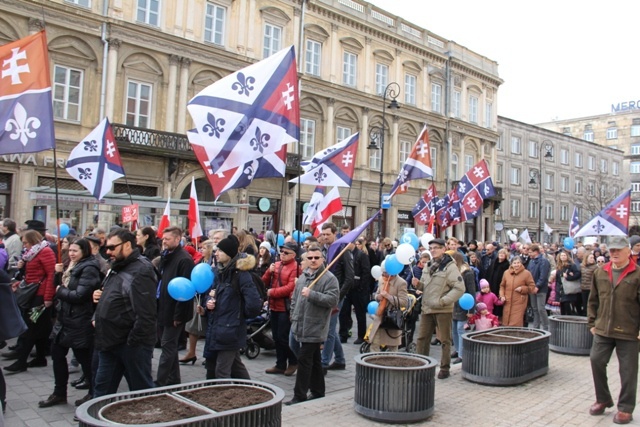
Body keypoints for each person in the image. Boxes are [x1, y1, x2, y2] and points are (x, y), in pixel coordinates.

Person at [92, 229, 158, 397]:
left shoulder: (142, 270)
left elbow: (146, 314)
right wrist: (101, 297)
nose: (108, 252)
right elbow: (114, 293)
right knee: (102, 390)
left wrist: (132, 342)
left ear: (127, 245)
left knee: (141, 392)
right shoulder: (116, 266)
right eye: (107, 247)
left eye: (112, 247)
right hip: (109, 340)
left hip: (130, 344)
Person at [38, 239, 101, 408]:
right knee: (57, 355)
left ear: (85, 251)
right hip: (64, 318)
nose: (71, 253)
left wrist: (61, 291)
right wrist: (57, 274)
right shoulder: (71, 265)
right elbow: (59, 286)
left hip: (80, 320)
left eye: (75, 250)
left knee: (84, 359)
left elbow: (80, 295)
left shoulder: (89, 268)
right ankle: (59, 393)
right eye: (70, 250)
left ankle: (94, 393)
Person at [588, 236, 640, 425]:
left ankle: (625, 408)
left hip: (629, 331)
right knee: (596, 360)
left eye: (619, 250)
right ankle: (603, 399)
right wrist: (592, 323)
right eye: (612, 250)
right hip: (602, 329)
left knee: (628, 371)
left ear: (628, 251)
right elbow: (593, 300)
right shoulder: (601, 272)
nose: (615, 253)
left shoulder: (637, 273)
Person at [202, 234, 261, 379]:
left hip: (230, 329)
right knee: (234, 366)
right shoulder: (218, 272)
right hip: (216, 327)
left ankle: (223, 399)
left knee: (222, 371)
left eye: (220, 251)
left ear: (228, 253)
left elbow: (253, 304)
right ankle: (250, 392)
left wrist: (239, 316)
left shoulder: (241, 274)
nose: (216, 253)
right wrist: (208, 303)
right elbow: (210, 293)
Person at [287, 245, 339, 405]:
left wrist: (312, 294)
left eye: (317, 257)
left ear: (323, 259)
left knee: (304, 360)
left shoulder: (329, 278)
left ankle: (299, 395)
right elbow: (295, 298)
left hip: (316, 326)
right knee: (315, 360)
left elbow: (332, 300)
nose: (313, 260)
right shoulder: (303, 277)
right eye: (310, 258)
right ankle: (318, 391)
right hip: (300, 323)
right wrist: (293, 314)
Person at [4, 230, 56, 373]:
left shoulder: (45, 252)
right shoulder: (30, 254)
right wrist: (22, 268)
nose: (24, 245)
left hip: (39, 295)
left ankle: (22, 361)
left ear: (33, 240)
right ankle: (40, 357)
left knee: (31, 326)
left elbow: (51, 274)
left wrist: (47, 297)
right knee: (39, 326)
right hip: (32, 294)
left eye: (26, 242)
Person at [414, 238, 464, 379]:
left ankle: (444, 367)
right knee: (422, 338)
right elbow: (425, 285)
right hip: (427, 307)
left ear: (443, 249)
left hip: (443, 309)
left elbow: (459, 288)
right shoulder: (428, 265)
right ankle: (421, 366)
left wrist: (444, 301)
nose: (433, 250)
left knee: (444, 340)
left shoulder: (450, 266)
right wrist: (418, 284)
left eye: (436, 247)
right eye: (431, 248)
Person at [156, 226, 195, 387]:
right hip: (163, 307)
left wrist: (178, 315)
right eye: (163, 239)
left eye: (167, 239)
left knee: (167, 346)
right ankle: (173, 379)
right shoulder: (167, 256)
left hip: (174, 311)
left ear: (177, 239)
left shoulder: (184, 260)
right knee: (168, 346)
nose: (164, 242)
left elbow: (185, 291)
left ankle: (160, 381)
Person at [261, 241, 300, 376]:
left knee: (283, 337)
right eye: (281, 252)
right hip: (274, 306)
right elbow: (264, 282)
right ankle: (280, 364)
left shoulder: (295, 267)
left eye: (286, 252)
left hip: (285, 307)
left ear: (293, 255)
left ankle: (294, 361)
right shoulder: (276, 265)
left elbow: (291, 287)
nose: (282, 254)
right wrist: (268, 271)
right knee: (276, 337)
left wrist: (272, 292)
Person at [319, 223, 353, 370]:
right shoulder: (323, 250)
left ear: (335, 234)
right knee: (330, 328)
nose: (325, 237)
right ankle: (340, 360)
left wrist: (339, 296)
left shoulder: (342, 249)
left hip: (337, 295)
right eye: (323, 234)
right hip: (324, 294)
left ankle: (324, 362)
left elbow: (349, 277)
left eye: (328, 234)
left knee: (329, 329)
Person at [367, 265, 408, 352]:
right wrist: (378, 296)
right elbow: (376, 294)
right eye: (382, 272)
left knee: (392, 346)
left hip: (392, 317)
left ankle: (392, 364)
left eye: (385, 273)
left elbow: (404, 302)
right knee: (374, 342)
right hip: (380, 315)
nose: (383, 275)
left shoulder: (401, 283)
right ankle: (374, 363)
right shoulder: (381, 279)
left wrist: (388, 297)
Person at [339, 239, 371, 345]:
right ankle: (343, 334)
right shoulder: (344, 255)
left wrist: (361, 287)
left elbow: (366, 272)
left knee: (360, 314)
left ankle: (361, 336)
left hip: (358, 290)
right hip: (347, 289)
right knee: (344, 313)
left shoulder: (361, 255)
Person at [450, 251, 476, 364]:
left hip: (464, 304)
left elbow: (472, 291)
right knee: (454, 329)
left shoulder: (467, 273)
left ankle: (462, 354)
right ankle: (457, 349)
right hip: (453, 304)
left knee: (461, 329)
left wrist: (471, 309)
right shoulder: (453, 272)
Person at [499, 256, 535, 327]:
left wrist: (522, 289)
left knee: (516, 323)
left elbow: (532, 287)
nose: (516, 265)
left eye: (518, 263)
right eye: (514, 263)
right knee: (506, 322)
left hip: (519, 302)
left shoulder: (526, 273)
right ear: (511, 264)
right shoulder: (506, 273)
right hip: (507, 301)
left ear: (521, 263)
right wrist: (502, 296)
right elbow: (502, 286)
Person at [527, 244, 551, 331]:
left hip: (541, 289)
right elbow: (529, 274)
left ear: (535, 252)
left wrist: (537, 286)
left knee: (541, 309)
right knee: (534, 308)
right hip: (532, 287)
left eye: (530, 252)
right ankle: (535, 327)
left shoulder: (544, 261)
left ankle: (545, 327)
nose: (529, 254)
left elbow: (543, 276)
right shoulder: (531, 261)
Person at [486, 248, 510, 318]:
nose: (501, 255)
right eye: (500, 253)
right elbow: (488, 273)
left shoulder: (507, 265)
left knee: (499, 302)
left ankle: (499, 317)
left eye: (503, 253)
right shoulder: (494, 263)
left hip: (501, 287)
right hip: (492, 285)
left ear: (506, 255)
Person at [555, 251, 581, 315]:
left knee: (567, 305)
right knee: (562, 306)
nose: (563, 257)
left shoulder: (571, 265)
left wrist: (568, 277)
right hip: (561, 288)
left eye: (564, 255)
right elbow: (558, 279)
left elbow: (578, 274)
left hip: (568, 288)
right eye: (562, 256)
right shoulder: (559, 266)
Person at [580, 252, 597, 316]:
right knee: (585, 304)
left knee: (591, 303)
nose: (592, 259)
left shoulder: (595, 267)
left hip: (591, 288)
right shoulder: (582, 266)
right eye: (591, 258)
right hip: (583, 287)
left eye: (593, 258)